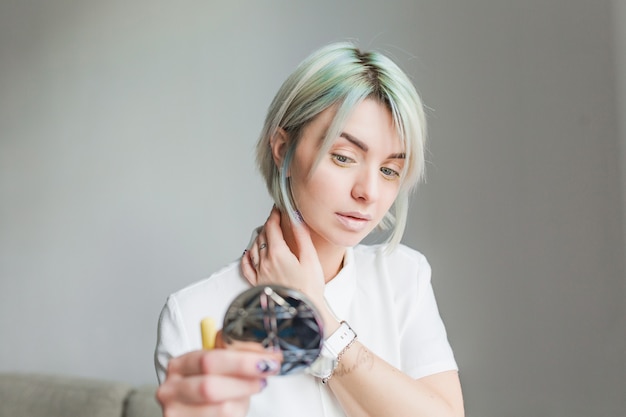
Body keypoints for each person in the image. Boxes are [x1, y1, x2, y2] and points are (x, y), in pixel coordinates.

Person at [154, 42, 464, 417]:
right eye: (344, 157)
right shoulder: (193, 313)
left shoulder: (404, 278)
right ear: (283, 149)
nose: (367, 192)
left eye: (389, 170)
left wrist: (316, 311)